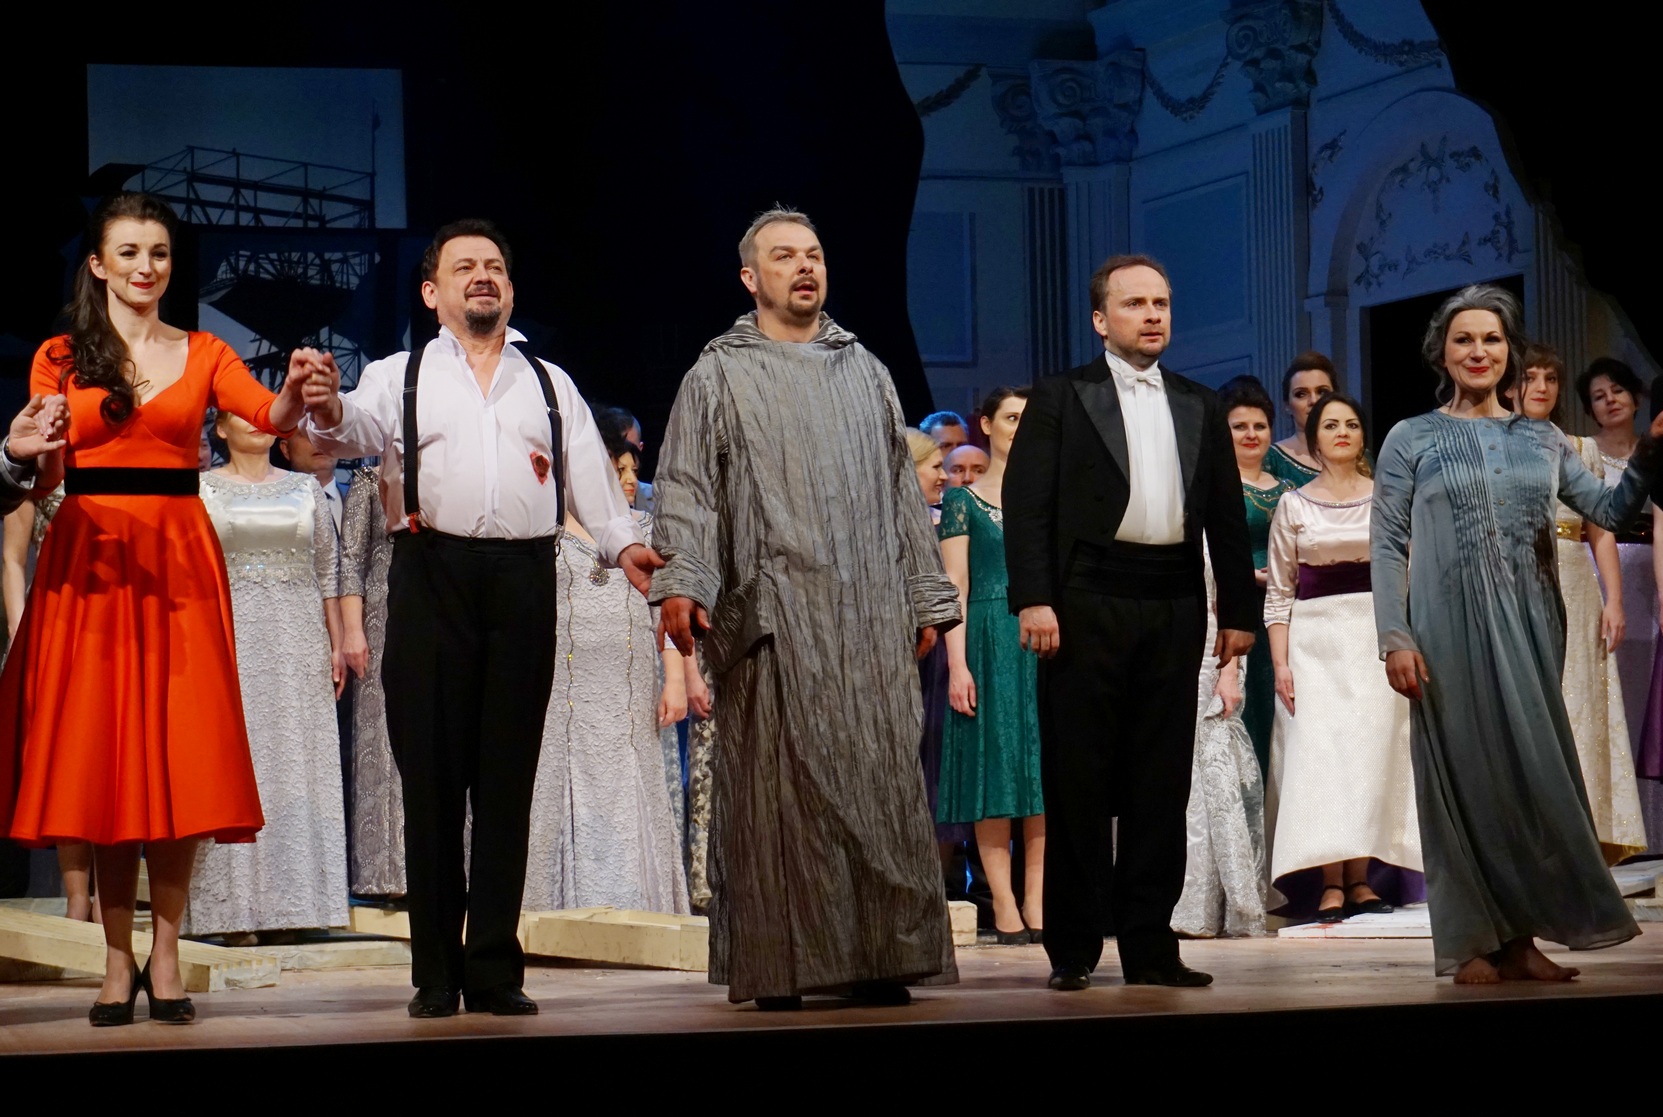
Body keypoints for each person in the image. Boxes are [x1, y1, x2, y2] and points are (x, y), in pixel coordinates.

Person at [301, 218, 661, 1018]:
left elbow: (592, 484)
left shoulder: (548, 381)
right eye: (464, 266)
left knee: (506, 781)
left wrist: (625, 547)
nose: (482, 275)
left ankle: (494, 967)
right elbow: (347, 428)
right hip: (431, 575)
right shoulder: (400, 374)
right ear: (433, 292)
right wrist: (323, 402)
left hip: (524, 580)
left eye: (493, 264)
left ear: (510, 287)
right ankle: (436, 970)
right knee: (431, 784)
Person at [0, 192, 315, 1026]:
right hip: (90, 557)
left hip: (178, 558)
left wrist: (296, 390)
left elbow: (267, 415)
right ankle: (116, 957)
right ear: (98, 264)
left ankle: (165, 953)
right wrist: (27, 446)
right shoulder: (60, 355)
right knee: (105, 761)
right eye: (130, 252)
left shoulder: (205, 350)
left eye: (160, 253)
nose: (147, 267)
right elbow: (43, 473)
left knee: (181, 756)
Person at [653, 207, 960, 1009]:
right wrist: (684, 579)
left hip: (867, 614)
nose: (804, 266)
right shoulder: (717, 373)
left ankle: (878, 957)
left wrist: (924, 594)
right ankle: (780, 966)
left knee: (879, 784)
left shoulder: (865, 370)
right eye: (784, 255)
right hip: (774, 613)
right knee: (777, 797)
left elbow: (901, 494)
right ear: (750, 277)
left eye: (814, 254)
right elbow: (687, 485)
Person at [1372, 283, 1651, 983]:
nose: (1478, 351)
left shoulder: (1543, 438)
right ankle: (1472, 939)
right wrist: (1394, 636)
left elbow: (1610, 511)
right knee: (1462, 776)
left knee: (1529, 779)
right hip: (1445, 628)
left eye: (1491, 339)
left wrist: (1649, 454)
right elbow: (1387, 542)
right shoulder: (1411, 436)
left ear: (1510, 352)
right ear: (1441, 351)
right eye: (1464, 339)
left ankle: (1521, 938)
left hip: (1532, 623)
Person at [1004, 253, 1256, 991]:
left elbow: (1224, 514)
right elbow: (1027, 504)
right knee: (1079, 776)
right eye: (1135, 303)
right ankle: (1074, 946)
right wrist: (1034, 598)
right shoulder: (1062, 395)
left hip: (1173, 599)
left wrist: (1238, 611)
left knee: (1160, 779)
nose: (1152, 315)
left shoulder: (1198, 402)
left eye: (1161, 303)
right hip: (1086, 597)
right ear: (1099, 318)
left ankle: (1149, 944)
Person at [189, 412, 348, 938]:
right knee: (236, 760)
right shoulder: (202, 490)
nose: (255, 422)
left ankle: (297, 907)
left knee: (295, 758)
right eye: (241, 414)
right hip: (229, 637)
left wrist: (336, 641)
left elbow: (327, 572)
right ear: (219, 429)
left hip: (298, 639)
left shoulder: (305, 488)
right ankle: (230, 912)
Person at [1264, 394, 1420, 920]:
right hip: (1316, 643)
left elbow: (1408, 576)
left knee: (1370, 756)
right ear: (1314, 439)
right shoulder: (1293, 505)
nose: (1342, 432)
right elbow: (1279, 594)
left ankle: (1361, 880)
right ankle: (1330, 881)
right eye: (1330, 425)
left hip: (1374, 637)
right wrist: (1281, 664)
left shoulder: (1388, 499)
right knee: (1323, 759)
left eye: (1351, 424)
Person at [524, 426, 689, 914]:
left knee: (630, 781)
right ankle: (555, 911)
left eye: (630, 469)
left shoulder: (645, 531)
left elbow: (665, 614)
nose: (626, 478)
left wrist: (675, 680)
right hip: (563, 685)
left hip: (628, 683)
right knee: (559, 781)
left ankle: (637, 906)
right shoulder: (545, 527)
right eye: (616, 468)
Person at [1510, 346, 1647, 863]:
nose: (1542, 387)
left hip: (1577, 585)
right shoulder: (1497, 448)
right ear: (1510, 386)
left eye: (1550, 378)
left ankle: (1583, 841)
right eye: (1531, 377)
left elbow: (1600, 531)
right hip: (1520, 582)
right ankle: (1533, 841)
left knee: (1581, 706)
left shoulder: (1580, 448)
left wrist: (1614, 599)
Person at [938, 387, 1045, 944]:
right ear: (987, 424)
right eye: (1010, 417)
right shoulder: (964, 500)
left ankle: (1037, 898)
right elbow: (954, 585)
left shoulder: (1049, 495)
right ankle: (1002, 900)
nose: (1019, 427)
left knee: (1043, 772)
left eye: (1028, 418)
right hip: (986, 636)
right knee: (993, 769)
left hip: (1043, 638)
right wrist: (957, 665)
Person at [1216, 375, 1295, 777]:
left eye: (1260, 426)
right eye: (1239, 426)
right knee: (1249, 708)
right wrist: (1247, 573)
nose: (1251, 434)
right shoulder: (1214, 488)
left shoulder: (1290, 489)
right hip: (1234, 608)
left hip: (1287, 615)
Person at [337, 462, 403, 897]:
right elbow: (350, 561)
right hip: (380, 623)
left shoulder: (449, 473)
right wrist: (353, 631)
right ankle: (387, 872)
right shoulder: (367, 480)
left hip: (439, 613)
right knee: (383, 739)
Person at [1265, 352, 1337, 485]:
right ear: (1287, 406)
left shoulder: (1358, 456)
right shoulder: (1272, 459)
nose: (1314, 400)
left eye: (1322, 392)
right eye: (1301, 394)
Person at [593, 405, 655, 512]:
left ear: (640, 449)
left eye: (631, 449)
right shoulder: (586, 502)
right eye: (618, 449)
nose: (625, 454)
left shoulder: (660, 500)